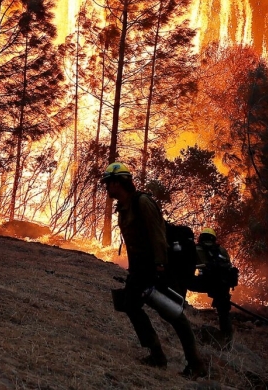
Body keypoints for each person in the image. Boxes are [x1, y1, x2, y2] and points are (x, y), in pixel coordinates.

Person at [103, 162, 207, 378]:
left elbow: (157, 234)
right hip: (140, 269)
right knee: (129, 304)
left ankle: (195, 364)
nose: (106, 187)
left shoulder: (142, 202)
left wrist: (160, 266)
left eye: (108, 183)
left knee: (173, 314)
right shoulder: (123, 208)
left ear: (117, 183)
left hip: (157, 267)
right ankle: (157, 355)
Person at [191, 227, 237, 345]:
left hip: (205, 283)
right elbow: (228, 266)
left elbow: (189, 266)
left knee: (184, 282)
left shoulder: (196, 249)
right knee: (223, 312)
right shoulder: (222, 250)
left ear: (201, 238)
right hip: (222, 285)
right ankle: (227, 339)